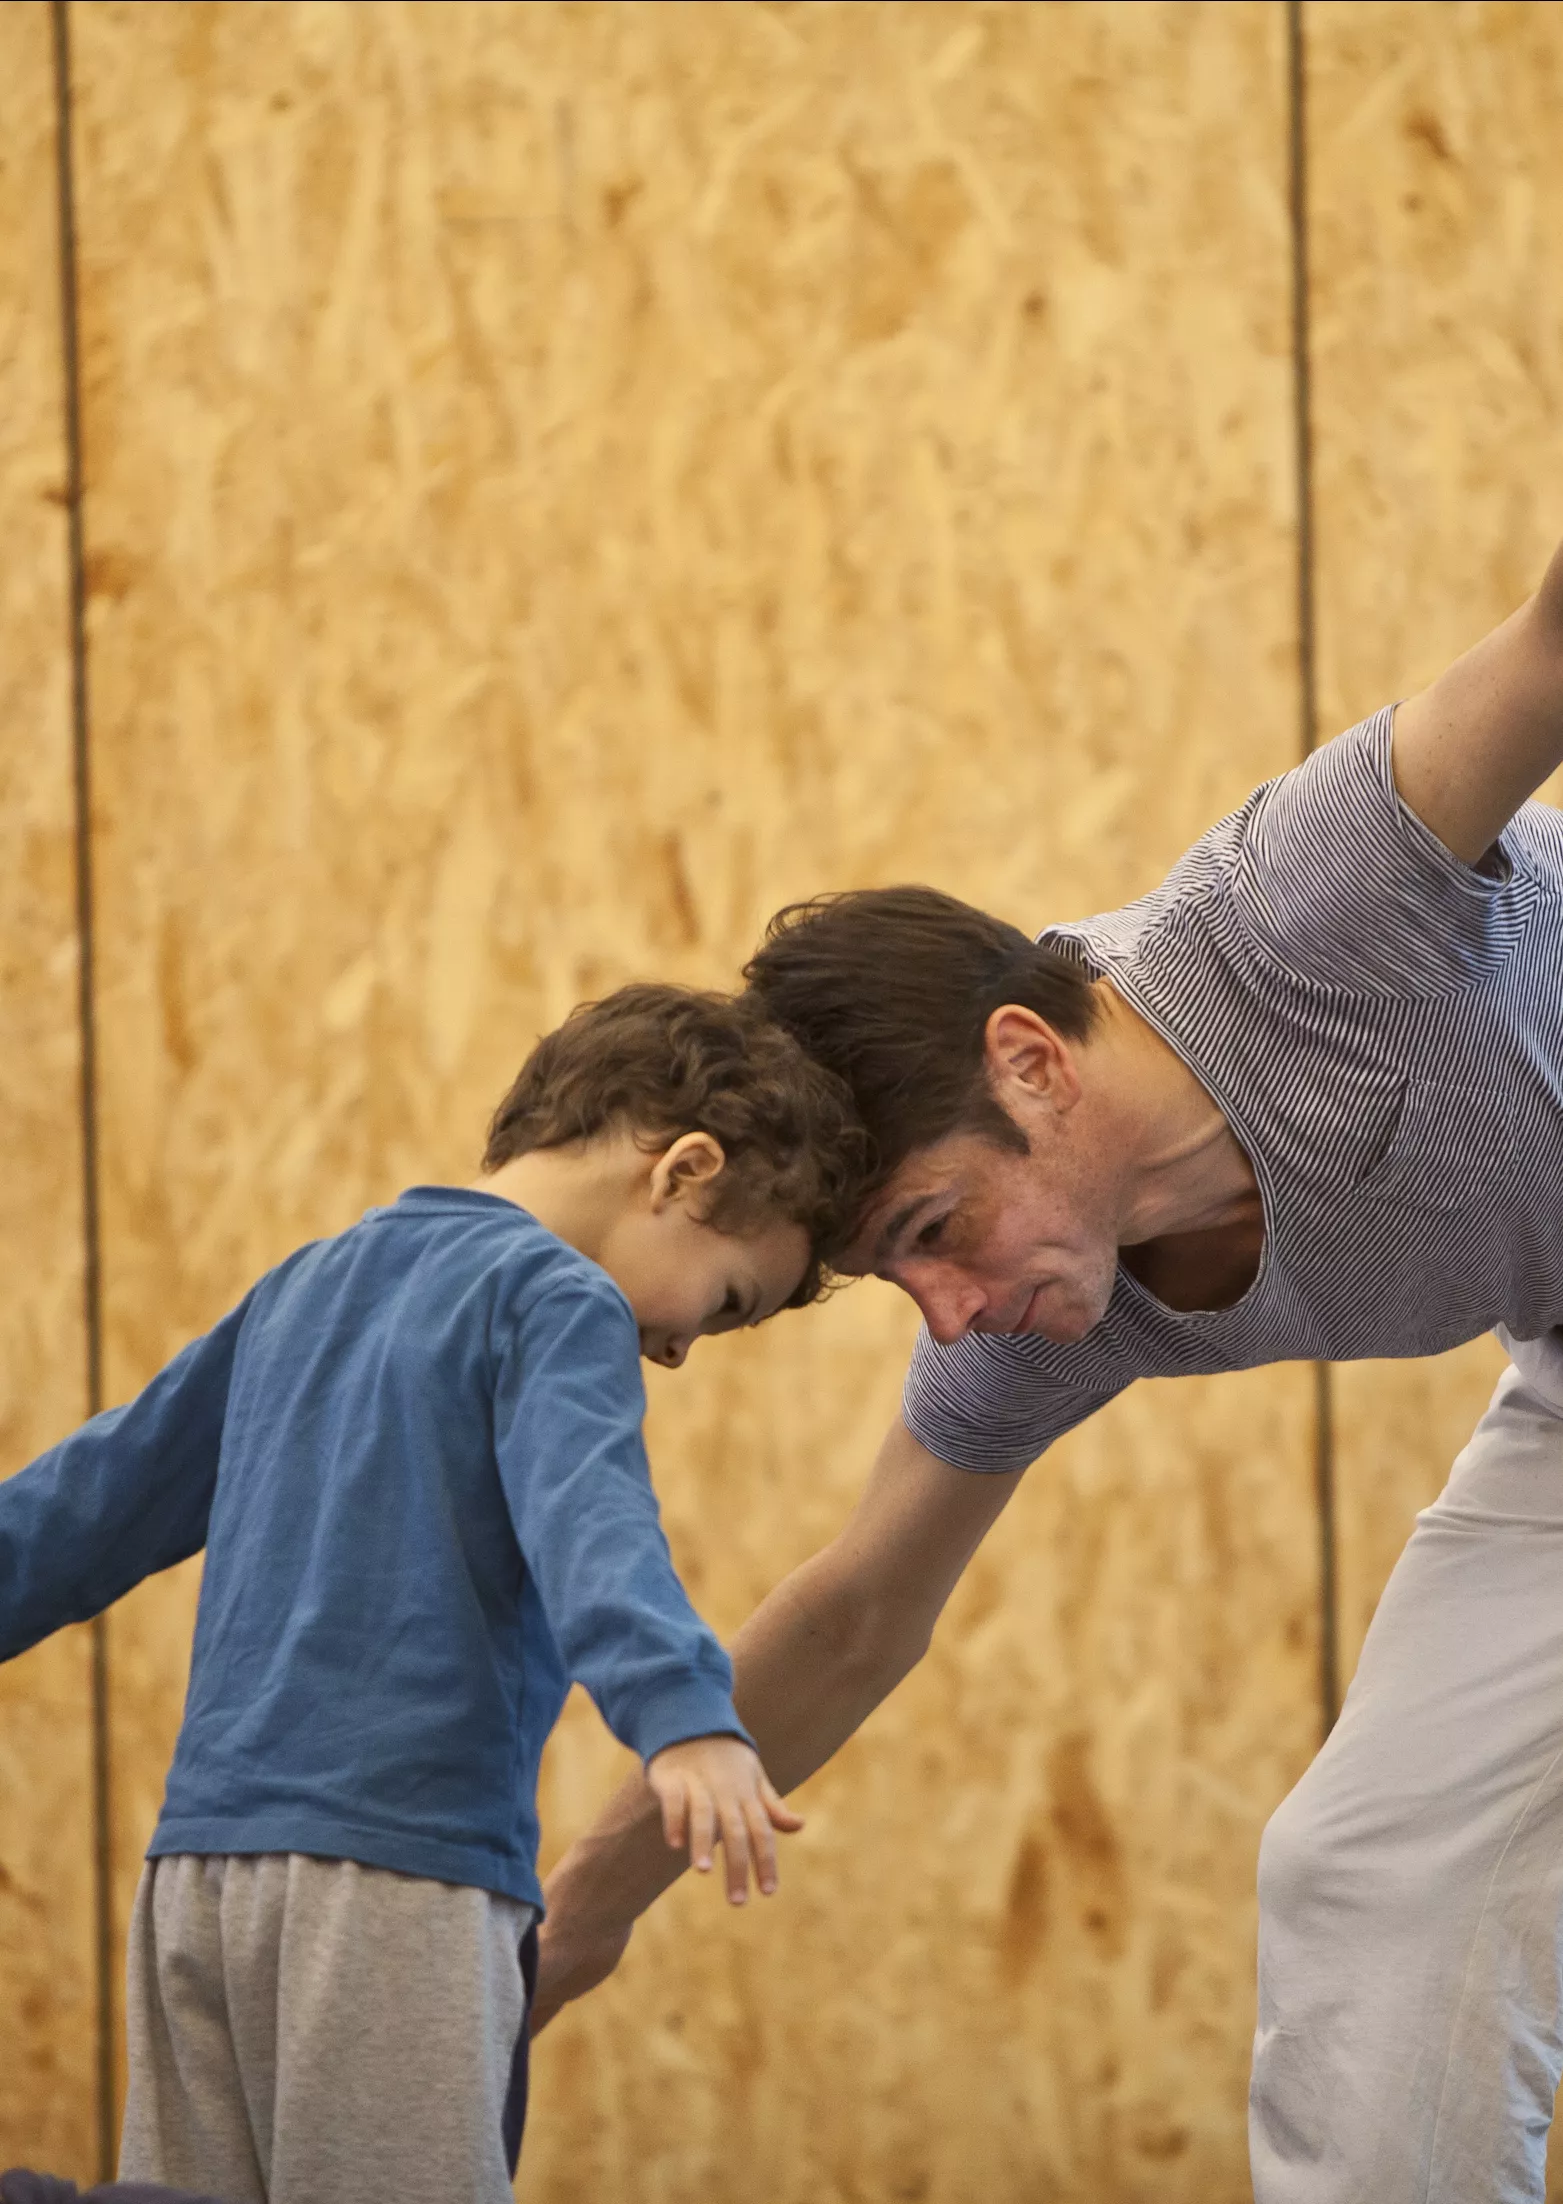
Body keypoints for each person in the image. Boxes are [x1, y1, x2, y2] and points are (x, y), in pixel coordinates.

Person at [535, 538, 1563, 2202]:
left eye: (935, 1225)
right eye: (893, 1274)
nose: (946, 1311)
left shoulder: (1297, 906)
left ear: (1029, 1059)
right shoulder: (1051, 1308)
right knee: (1366, 1879)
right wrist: (569, 1918)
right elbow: (856, 1612)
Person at [0, 984, 867, 2204]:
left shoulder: (311, 1281)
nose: (672, 1351)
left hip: (200, 1878)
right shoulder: (559, 1300)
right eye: (725, 1301)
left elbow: (90, 1501)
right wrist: (685, 1713)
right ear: (683, 1167)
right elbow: (592, 1521)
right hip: (396, 1875)